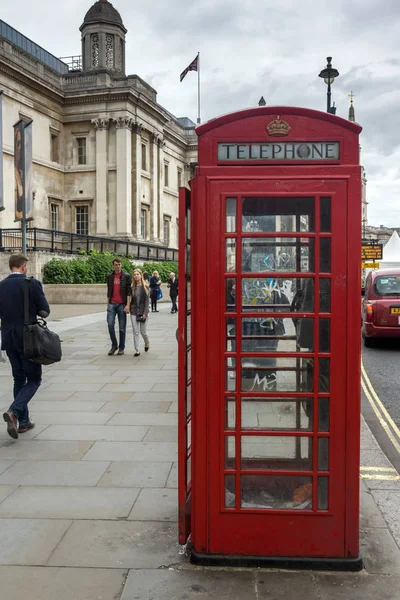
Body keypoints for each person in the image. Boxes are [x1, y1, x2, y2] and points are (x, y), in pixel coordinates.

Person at [0, 253, 50, 439]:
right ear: (23, 267)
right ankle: (14, 412)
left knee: (18, 379)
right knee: (34, 379)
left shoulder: (1, 286)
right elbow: (45, 311)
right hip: (28, 339)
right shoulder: (31, 283)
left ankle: (24, 422)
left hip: (8, 338)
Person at [106, 258, 131, 356]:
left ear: (121, 265)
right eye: (116, 264)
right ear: (113, 265)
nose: (118, 266)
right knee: (110, 324)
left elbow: (129, 291)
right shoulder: (110, 276)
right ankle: (114, 345)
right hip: (112, 304)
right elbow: (109, 291)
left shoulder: (126, 276)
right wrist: (107, 305)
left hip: (122, 304)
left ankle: (121, 347)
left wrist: (128, 305)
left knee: (122, 328)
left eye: (119, 264)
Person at [130, 268, 150, 357]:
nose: (136, 276)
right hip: (134, 311)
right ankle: (137, 349)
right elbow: (130, 300)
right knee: (135, 331)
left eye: (137, 274)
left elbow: (147, 302)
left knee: (143, 332)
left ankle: (147, 342)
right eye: (134, 275)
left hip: (143, 311)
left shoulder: (146, 287)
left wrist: (145, 313)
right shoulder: (132, 287)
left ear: (141, 275)